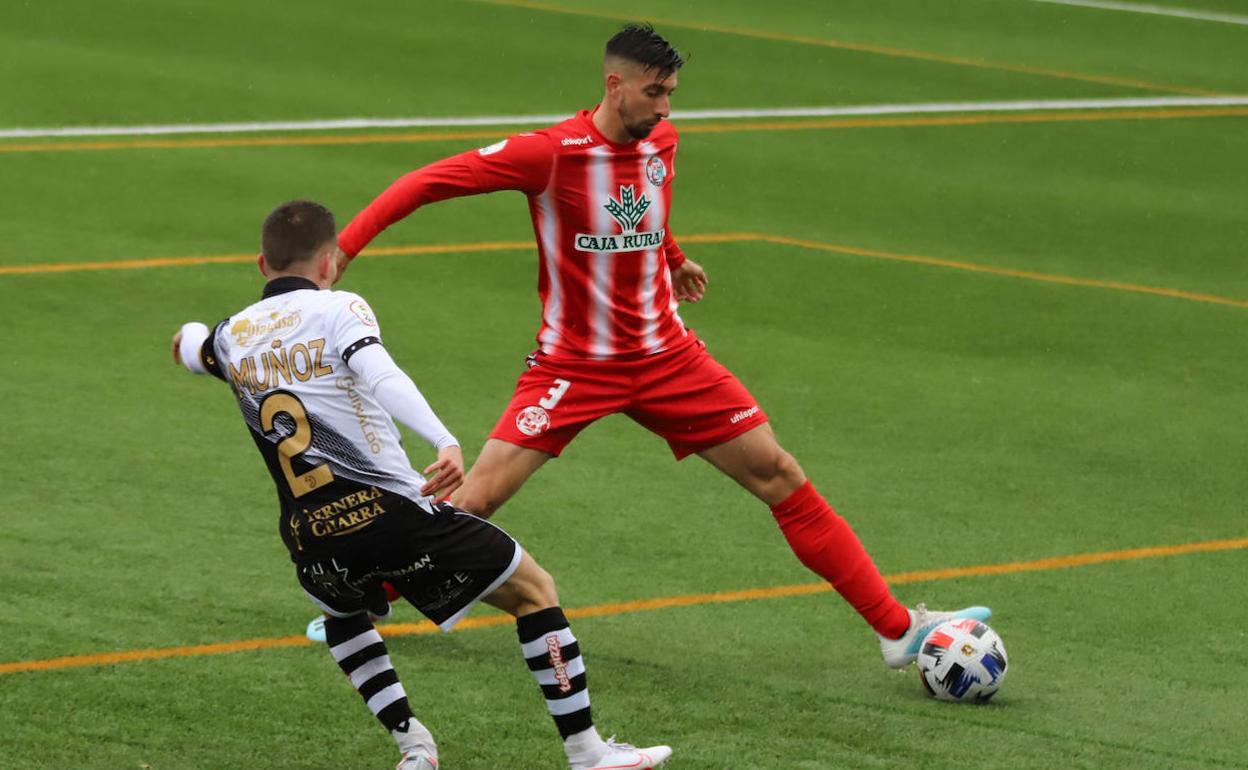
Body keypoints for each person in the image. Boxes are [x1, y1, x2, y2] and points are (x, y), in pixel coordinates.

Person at [328, 24, 991, 669]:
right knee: (475, 501)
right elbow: (425, 182)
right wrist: (344, 250)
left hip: (668, 358)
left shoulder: (661, 141)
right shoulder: (550, 153)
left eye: (671, 92)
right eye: (655, 92)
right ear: (615, 86)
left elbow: (643, 207)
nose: (666, 105)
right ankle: (360, 606)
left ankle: (897, 629)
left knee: (779, 474)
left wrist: (672, 256)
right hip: (574, 366)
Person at [172, 200, 672, 770]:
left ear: (262, 262)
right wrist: (443, 440)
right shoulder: (339, 309)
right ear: (331, 262)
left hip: (311, 534)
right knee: (534, 590)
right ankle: (587, 753)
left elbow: (190, 346)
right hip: (393, 513)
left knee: (343, 616)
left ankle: (414, 747)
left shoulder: (233, 337)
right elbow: (380, 373)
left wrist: (191, 338)